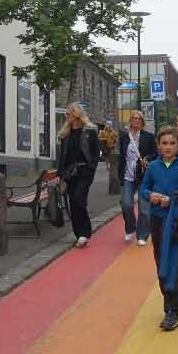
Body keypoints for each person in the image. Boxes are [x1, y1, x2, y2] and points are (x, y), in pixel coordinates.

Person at [140, 126, 178, 331]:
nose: (168, 147)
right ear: (158, 145)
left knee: (177, 263)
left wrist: (172, 199)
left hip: (177, 223)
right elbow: (143, 189)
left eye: (172, 143)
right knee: (161, 261)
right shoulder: (153, 167)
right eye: (164, 143)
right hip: (157, 221)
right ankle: (168, 302)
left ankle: (173, 308)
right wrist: (150, 196)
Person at [56, 103, 101, 247]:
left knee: (78, 199)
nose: (66, 115)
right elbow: (62, 156)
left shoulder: (89, 131)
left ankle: (85, 232)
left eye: (68, 113)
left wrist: (92, 167)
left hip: (85, 172)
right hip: (70, 173)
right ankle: (79, 234)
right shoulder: (65, 133)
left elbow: (95, 152)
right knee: (73, 203)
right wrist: (60, 174)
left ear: (76, 114)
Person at [118, 111, 157, 244]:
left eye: (138, 119)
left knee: (144, 208)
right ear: (130, 121)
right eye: (134, 118)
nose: (136, 120)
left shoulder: (149, 137)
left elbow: (155, 154)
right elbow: (121, 157)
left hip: (143, 175)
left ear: (142, 122)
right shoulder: (124, 136)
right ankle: (130, 228)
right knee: (126, 205)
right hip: (128, 175)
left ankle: (142, 235)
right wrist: (120, 174)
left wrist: (147, 158)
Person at [100, 120, 120, 194]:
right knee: (112, 172)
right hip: (106, 149)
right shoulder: (103, 132)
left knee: (113, 172)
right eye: (107, 124)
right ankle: (113, 190)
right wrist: (105, 139)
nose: (108, 125)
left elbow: (116, 139)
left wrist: (113, 139)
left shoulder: (113, 131)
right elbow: (100, 138)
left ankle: (115, 190)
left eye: (109, 124)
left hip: (113, 150)